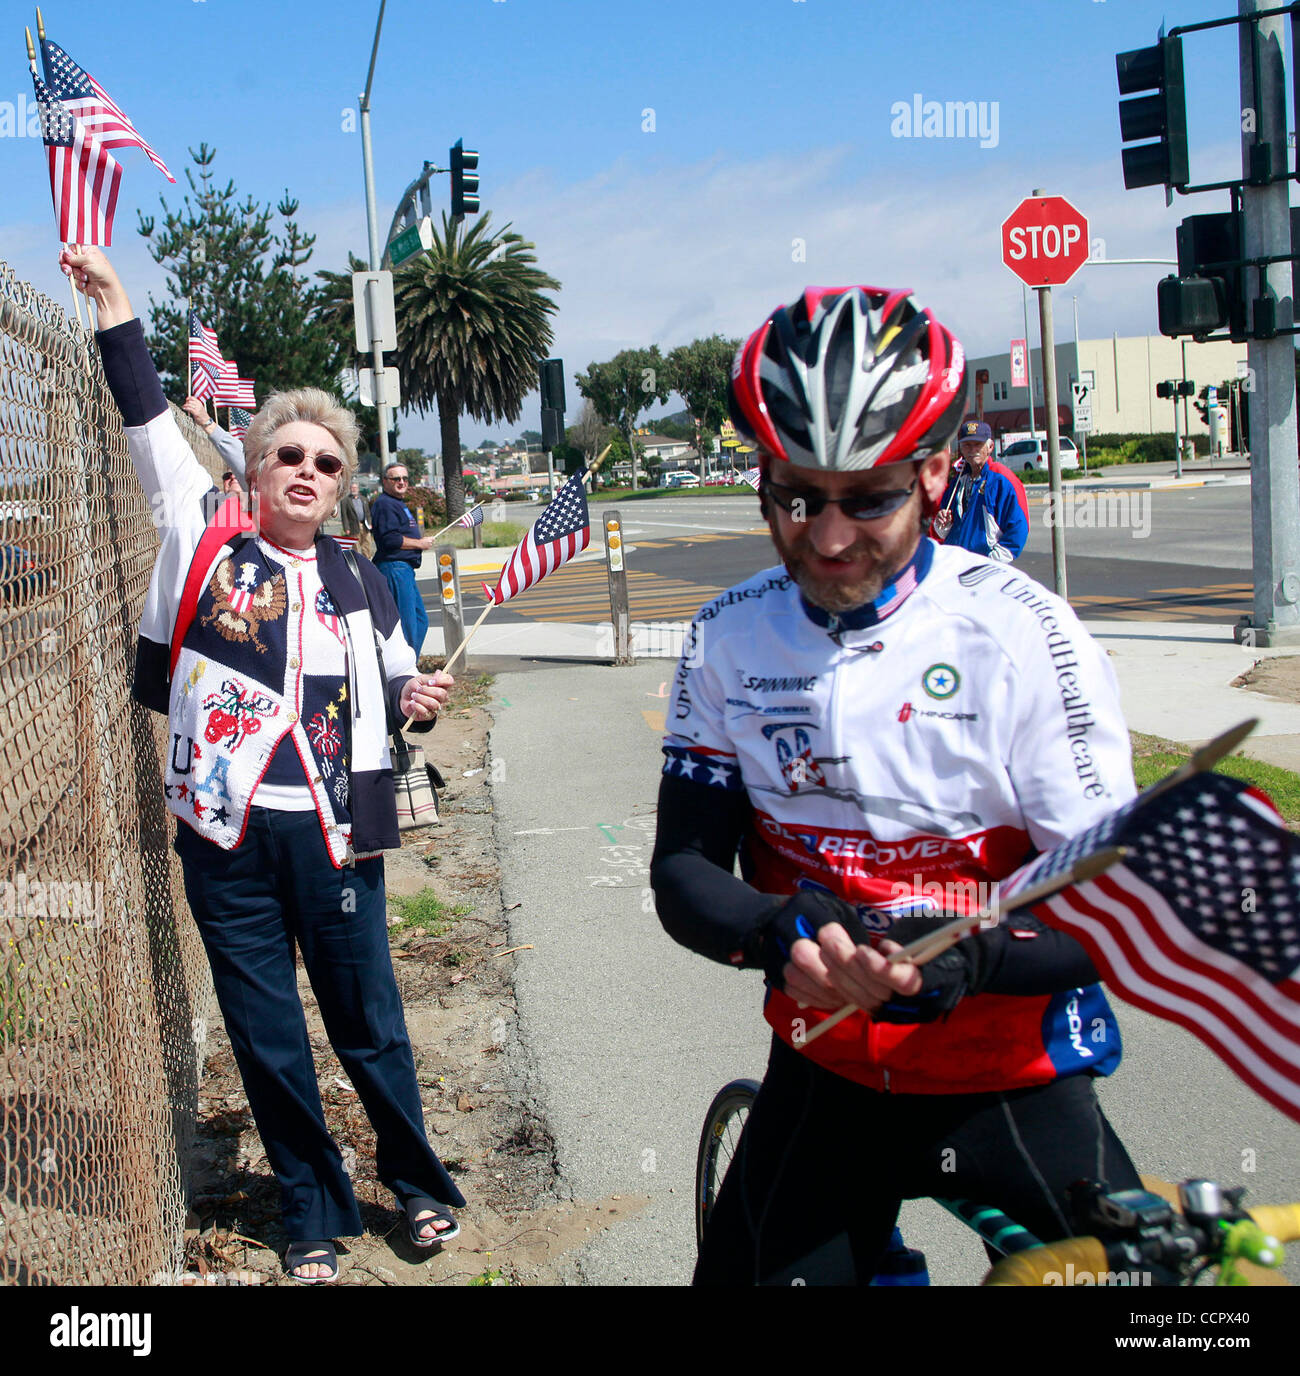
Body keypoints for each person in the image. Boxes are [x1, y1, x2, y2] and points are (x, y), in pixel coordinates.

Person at [650, 285, 1142, 1286]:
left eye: (868, 498)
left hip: (1006, 1070)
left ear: (934, 476)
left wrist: (974, 956)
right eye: (795, 496)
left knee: (1161, 1299)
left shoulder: (1025, 635)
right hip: (830, 1066)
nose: (827, 538)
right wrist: (772, 927)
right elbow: (682, 868)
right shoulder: (726, 636)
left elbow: (1121, 908)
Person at [61, 245, 465, 1284]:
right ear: (253, 463)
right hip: (225, 836)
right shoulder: (204, 527)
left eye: (326, 463)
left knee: (367, 1022)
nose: (306, 471)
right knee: (267, 1031)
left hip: (336, 836)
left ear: (342, 487)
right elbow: (150, 421)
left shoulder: (364, 582)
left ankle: (418, 1185)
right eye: (288, 453)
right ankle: (310, 1211)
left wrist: (415, 697)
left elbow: (397, 687)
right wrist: (117, 307)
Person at [931, 419, 1028, 561]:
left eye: (978, 444)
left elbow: (1019, 527)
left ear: (990, 447)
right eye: (967, 445)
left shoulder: (1002, 480)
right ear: (961, 448)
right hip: (957, 564)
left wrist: (991, 562)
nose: (972, 450)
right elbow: (943, 531)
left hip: (985, 568)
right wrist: (941, 524)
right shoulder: (958, 480)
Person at [370, 463, 432, 657]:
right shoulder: (385, 504)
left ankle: (410, 664)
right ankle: (404, 674)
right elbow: (390, 539)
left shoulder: (397, 503)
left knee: (420, 621)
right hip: (394, 568)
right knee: (407, 626)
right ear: (385, 482)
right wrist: (419, 544)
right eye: (396, 479)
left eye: (405, 478)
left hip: (404, 569)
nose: (402, 482)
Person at [340, 478, 373, 559]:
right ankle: (358, 561)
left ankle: (367, 561)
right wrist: (346, 528)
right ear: (350, 489)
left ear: (358, 489)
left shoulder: (364, 499)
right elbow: (344, 516)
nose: (354, 489)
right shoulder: (345, 501)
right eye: (352, 488)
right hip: (353, 526)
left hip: (364, 525)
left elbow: (368, 513)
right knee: (356, 546)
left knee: (367, 544)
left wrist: (369, 523)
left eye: (355, 488)